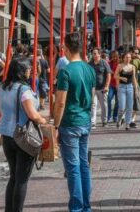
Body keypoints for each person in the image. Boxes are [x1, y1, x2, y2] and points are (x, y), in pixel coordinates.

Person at [0, 57, 48, 212]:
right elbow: (32, 115)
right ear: (21, 71)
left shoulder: (3, 88)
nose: (30, 71)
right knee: (22, 180)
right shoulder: (24, 91)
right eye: (28, 68)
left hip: (6, 135)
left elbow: (1, 111)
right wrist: (43, 120)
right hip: (23, 136)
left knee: (13, 176)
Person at [53, 32, 95, 212]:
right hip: (84, 120)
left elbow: (60, 101)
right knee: (83, 165)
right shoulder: (89, 69)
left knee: (73, 168)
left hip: (70, 122)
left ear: (67, 48)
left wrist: (55, 125)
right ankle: (86, 205)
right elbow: (92, 96)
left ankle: (77, 207)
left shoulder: (66, 72)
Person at [88, 48, 111, 128]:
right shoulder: (90, 63)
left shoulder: (104, 63)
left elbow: (108, 75)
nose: (93, 55)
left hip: (102, 88)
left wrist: (107, 86)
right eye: (93, 53)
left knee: (103, 105)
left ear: (99, 54)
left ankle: (104, 121)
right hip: (93, 88)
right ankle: (93, 122)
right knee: (93, 105)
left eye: (95, 53)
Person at [114, 52, 137, 129]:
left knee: (130, 107)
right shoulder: (120, 66)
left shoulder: (133, 67)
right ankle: (119, 120)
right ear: (123, 58)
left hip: (130, 87)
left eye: (129, 57)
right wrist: (121, 78)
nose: (128, 59)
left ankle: (127, 124)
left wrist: (136, 89)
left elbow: (134, 78)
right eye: (126, 57)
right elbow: (115, 76)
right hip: (122, 87)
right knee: (122, 107)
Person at [106, 51, 119, 124]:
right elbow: (108, 71)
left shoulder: (119, 63)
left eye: (115, 56)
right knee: (109, 99)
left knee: (118, 102)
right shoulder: (109, 63)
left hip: (118, 85)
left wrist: (114, 73)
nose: (114, 58)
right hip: (111, 84)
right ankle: (109, 116)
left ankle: (115, 116)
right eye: (113, 56)